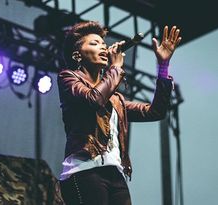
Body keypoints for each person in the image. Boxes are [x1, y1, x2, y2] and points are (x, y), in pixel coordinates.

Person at [57, 21, 181, 205]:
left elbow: (155, 112)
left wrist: (163, 66)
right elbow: (93, 99)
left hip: (116, 174)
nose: (102, 47)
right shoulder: (68, 78)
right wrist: (115, 68)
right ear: (77, 55)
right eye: (94, 43)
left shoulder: (116, 99)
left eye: (103, 44)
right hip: (84, 171)